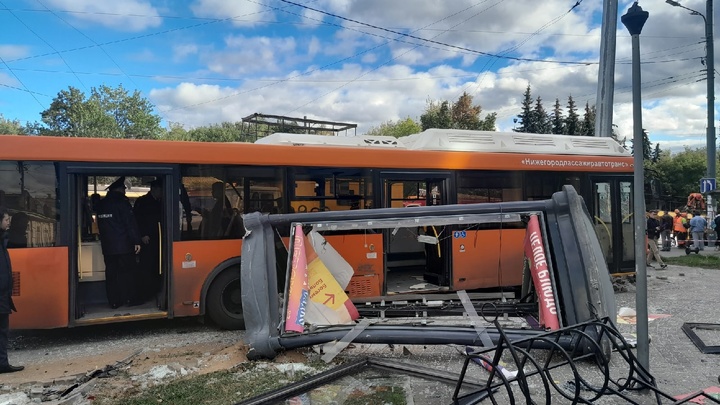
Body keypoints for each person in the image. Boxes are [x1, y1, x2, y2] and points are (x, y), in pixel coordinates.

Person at [96, 177, 142, 309]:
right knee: (128, 273)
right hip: (124, 246)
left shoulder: (102, 204)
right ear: (119, 189)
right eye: (124, 189)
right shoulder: (122, 203)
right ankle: (130, 298)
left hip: (108, 247)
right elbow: (130, 224)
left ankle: (114, 302)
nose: (125, 191)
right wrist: (136, 241)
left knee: (111, 274)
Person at [0, 207, 23, 373]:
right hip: (1, 295)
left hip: (3, 294)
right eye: (6, 219)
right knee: (2, 331)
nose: (9, 223)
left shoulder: (3, 240)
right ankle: (2, 364)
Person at [133, 179, 162, 302]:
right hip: (147, 240)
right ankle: (145, 294)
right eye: (161, 190)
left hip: (158, 239)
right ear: (155, 189)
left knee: (156, 266)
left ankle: (154, 290)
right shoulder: (143, 201)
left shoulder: (159, 202)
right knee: (147, 267)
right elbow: (136, 220)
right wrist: (142, 234)